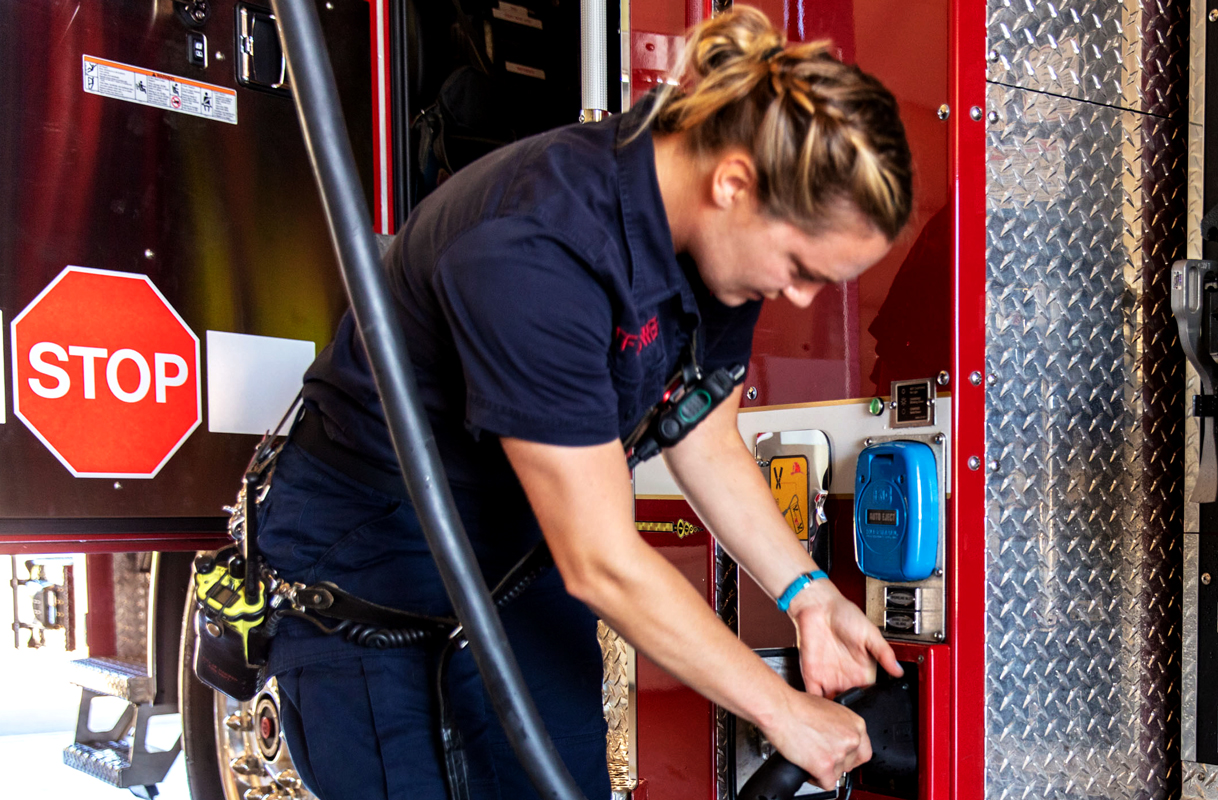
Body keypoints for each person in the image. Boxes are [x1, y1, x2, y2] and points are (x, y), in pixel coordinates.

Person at [252, 8, 914, 798]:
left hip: (514, 554)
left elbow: (701, 432)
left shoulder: (717, 243)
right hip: (374, 565)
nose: (801, 297)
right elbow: (600, 559)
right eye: (802, 264)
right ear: (734, 182)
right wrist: (781, 710)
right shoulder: (533, 249)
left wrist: (808, 595)